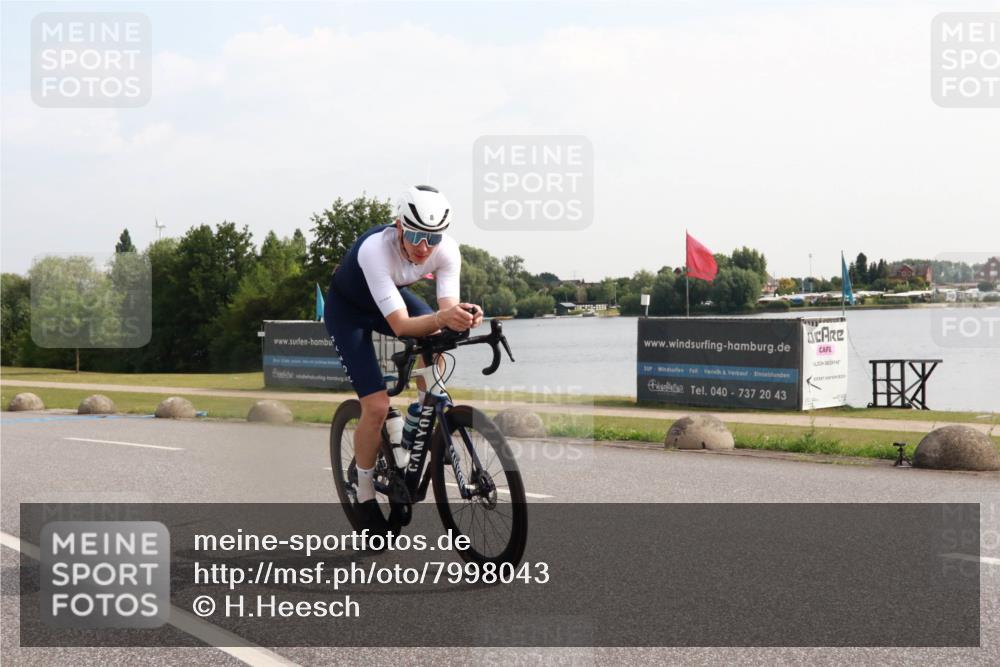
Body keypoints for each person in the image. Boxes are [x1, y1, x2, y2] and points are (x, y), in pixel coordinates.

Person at [324, 185, 483, 531]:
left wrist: (463, 317)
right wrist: (443, 318)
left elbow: (446, 312)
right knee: (376, 406)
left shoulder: (447, 251)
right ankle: (365, 492)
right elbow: (401, 325)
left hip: (389, 299)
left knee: (438, 345)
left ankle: (415, 422)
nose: (424, 247)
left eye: (433, 238)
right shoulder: (375, 250)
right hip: (348, 312)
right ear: (399, 227)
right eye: (414, 235)